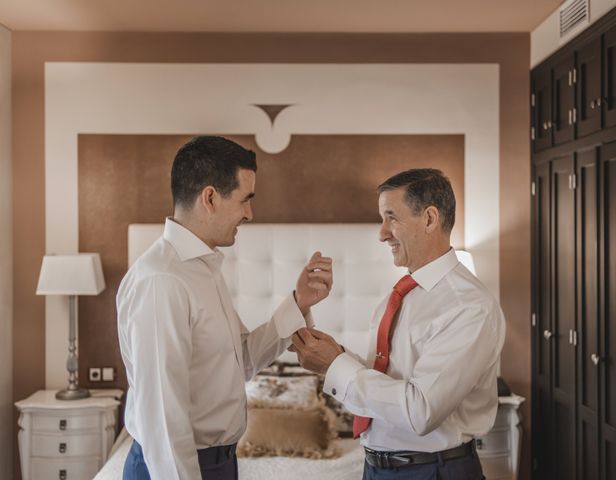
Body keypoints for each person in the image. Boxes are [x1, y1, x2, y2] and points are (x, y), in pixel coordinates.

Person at [117, 136, 333, 480]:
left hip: (219, 464)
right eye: (245, 199)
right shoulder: (163, 281)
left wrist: (299, 302)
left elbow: (241, 360)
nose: (250, 213)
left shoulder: (203, 269)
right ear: (210, 198)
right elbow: (163, 420)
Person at [290, 168, 505, 480]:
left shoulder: (468, 306)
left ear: (430, 219)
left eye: (391, 217)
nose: (382, 233)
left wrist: (334, 365)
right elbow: (388, 378)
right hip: (376, 468)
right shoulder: (402, 295)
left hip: (433, 471)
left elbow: (420, 411)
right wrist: (332, 353)